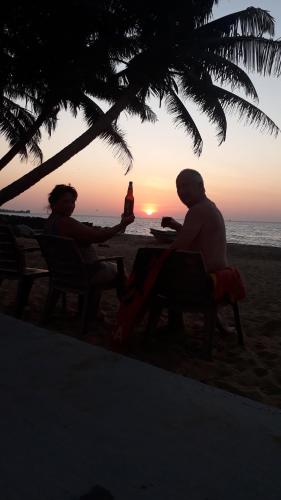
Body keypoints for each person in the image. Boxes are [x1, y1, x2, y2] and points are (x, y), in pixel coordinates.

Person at [44, 184, 134, 305]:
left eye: (73, 202)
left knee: (104, 263)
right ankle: (126, 304)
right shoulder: (66, 222)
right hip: (82, 275)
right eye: (66, 201)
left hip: (61, 273)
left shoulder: (50, 223)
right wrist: (122, 225)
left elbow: (83, 238)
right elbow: (99, 237)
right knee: (120, 270)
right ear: (54, 203)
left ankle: (88, 312)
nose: (70, 206)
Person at [162, 169, 228, 272]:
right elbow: (197, 239)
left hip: (204, 279)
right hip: (218, 273)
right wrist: (177, 227)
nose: (182, 192)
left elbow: (177, 248)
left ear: (200, 186)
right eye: (178, 188)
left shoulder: (197, 210)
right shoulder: (210, 206)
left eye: (185, 186)